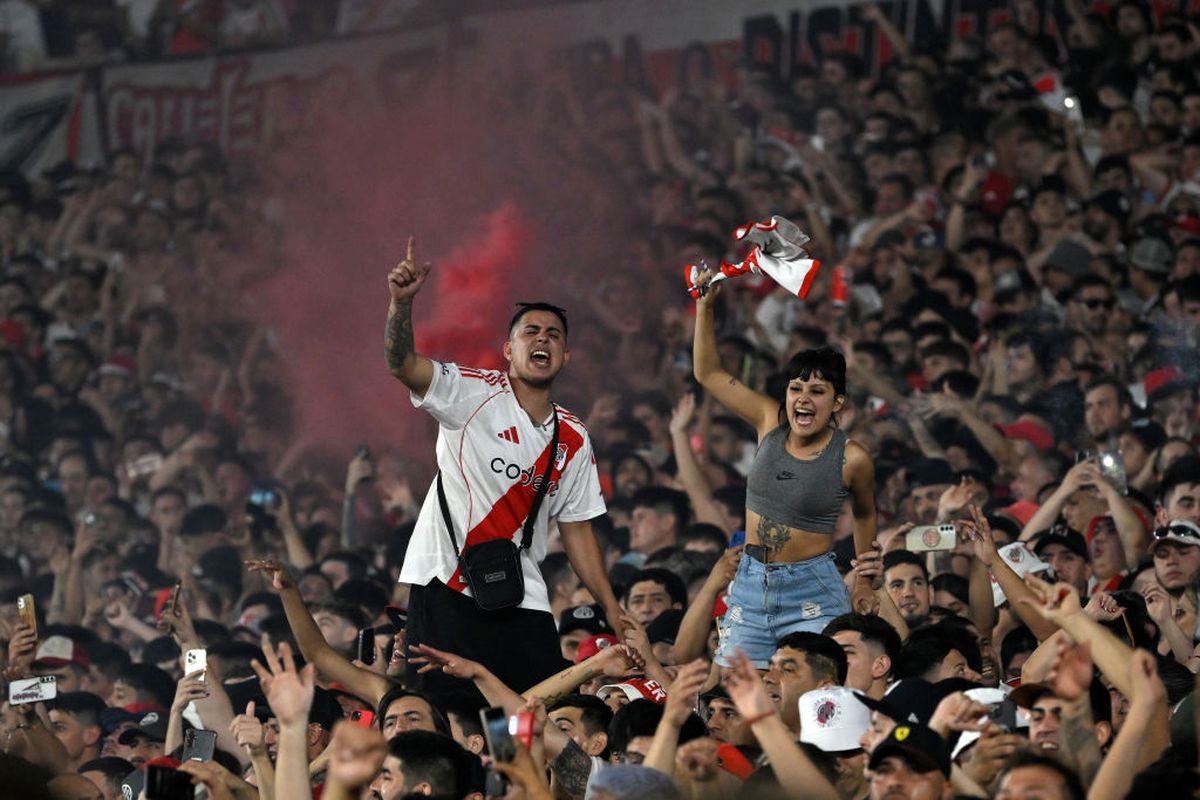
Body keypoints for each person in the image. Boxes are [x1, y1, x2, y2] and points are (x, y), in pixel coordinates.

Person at [384, 237, 625, 695]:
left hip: (521, 594)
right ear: (508, 351)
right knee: (447, 715)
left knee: (532, 719)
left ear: (566, 357)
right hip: (445, 582)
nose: (542, 339)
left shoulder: (573, 437)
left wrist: (611, 608)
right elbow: (401, 364)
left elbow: (576, 530)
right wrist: (400, 305)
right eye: (529, 332)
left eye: (553, 334)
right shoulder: (470, 393)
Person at [691, 260, 878, 668]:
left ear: (837, 402)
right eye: (796, 388)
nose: (802, 399)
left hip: (811, 587)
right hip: (750, 583)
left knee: (814, 693)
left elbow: (865, 513)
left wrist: (864, 578)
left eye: (817, 390)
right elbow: (707, 372)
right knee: (736, 696)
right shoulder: (767, 421)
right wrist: (705, 308)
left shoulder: (853, 457)